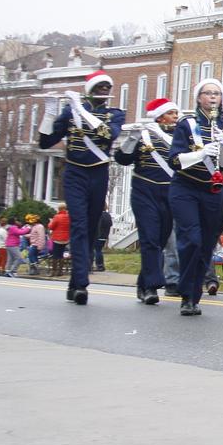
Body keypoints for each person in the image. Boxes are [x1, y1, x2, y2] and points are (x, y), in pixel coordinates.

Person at [38, 70, 125, 304]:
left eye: (108, 87)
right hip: (75, 172)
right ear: (90, 90)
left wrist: (81, 112)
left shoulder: (114, 114)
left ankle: (75, 281)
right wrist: (50, 114)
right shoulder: (70, 113)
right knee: (78, 224)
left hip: (99, 172)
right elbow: (45, 142)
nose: (105, 91)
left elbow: (108, 135)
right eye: (100, 87)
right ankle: (82, 285)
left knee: (90, 228)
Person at [168, 78, 223, 316]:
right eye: (208, 93)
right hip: (186, 188)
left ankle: (194, 296)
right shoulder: (186, 125)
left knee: (207, 244)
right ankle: (186, 293)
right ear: (199, 98)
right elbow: (175, 160)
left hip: (213, 191)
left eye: (217, 94)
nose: (213, 97)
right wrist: (200, 154)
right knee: (192, 239)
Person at [115, 97, 180, 305]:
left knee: (160, 240)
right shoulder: (144, 136)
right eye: (171, 113)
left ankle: (143, 283)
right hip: (145, 191)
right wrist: (132, 138)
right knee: (150, 238)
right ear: (160, 117)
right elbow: (122, 159)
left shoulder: (179, 138)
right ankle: (152, 286)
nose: (176, 117)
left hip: (170, 193)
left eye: (176, 114)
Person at [47, 205, 70, 277]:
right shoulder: (69, 216)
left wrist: (50, 222)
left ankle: (53, 271)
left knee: (55, 255)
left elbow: (51, 227)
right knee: (61, 255)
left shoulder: (57, 216)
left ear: (59, 209)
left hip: (57, 239)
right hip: (65, 239)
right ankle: (60, 271)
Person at [91, 206, 112, 272]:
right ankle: (101, 265)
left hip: (98, 236)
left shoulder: (99, 215)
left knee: (97, 251)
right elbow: (110, 224)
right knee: (99, 250)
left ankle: (99, 266)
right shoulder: (107, 215)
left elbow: (98, 225)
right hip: (105, 235)